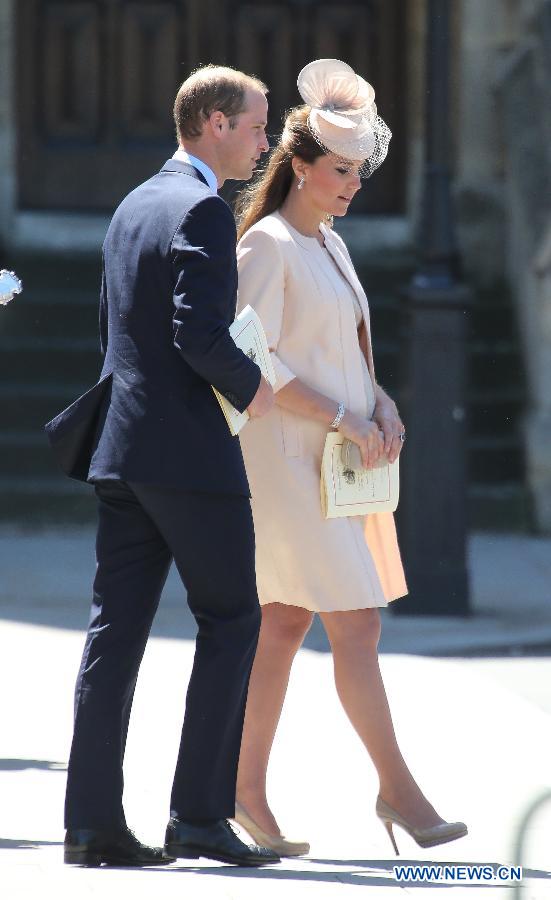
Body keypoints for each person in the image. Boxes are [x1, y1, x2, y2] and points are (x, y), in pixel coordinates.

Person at [45, 64, 280, 868]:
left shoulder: (135, 202)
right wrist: (258, 387)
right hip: (188, 457)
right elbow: (196, 335)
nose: (265, 138)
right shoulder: (206, 208)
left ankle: (90, 826)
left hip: (122, 452)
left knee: (113, 635)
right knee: (232, 619)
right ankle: (199, 815)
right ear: (213, 123)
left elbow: (118, 331)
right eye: (255, 123)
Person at [232, 59, 468, 857]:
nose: (352, 184)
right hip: (287, 457)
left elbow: (349, 348)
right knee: (355, 624)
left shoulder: (329, 243)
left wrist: (383, 403)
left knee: (283, 622)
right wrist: (342, 413)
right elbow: (250, 359)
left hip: (339, 459)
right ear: (298, 167)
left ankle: (244, 795)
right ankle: (398, 791)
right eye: (339, 170)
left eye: (357, 172)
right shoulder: (265, 244)